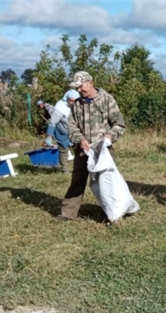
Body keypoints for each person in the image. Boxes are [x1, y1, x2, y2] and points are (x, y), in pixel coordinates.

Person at [58, 71, 126, 221]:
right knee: (77, 180)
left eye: (81, 86)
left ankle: (112, 213)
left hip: (103, 151)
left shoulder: (107, 100)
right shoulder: (77, 104)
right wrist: (79, 139)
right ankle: (68, 214)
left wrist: (110, 136)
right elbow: (71, 125)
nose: (79, 90)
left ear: (91, 83)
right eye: (76, 88)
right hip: (83, 151)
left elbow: (119, 124)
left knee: (106, 183)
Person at [44, 90, 80, 173]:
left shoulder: (79, 106)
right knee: (64, 151)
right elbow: (52, 122)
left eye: (75, 101)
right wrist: (49, 136)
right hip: (62, 132)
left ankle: (80, 169)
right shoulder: (60, 107)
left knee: (79, 150)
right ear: (66, 99)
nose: (73, 103)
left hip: (75, 131)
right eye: (71, 101)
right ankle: (64, 170)